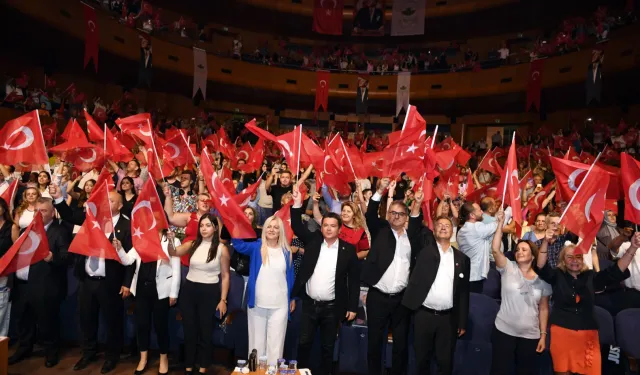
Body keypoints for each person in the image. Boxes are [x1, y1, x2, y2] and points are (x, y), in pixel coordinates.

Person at [51, 187, 135, 373]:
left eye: (111, 201)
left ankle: (112, 356)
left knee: (112, 322)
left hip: (110, 283)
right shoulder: (93, 219)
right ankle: (88, 353)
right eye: (106, 200)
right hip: (87, 280)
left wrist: (127, 283)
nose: (106, 203)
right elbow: (70, 216)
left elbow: (131, 259)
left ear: (120, 205)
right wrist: (58, 198)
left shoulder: (126, 226)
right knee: (86, 319)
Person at [536, 231, 639, 375]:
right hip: (562, 333)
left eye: (578, 257)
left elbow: (616, 270)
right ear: (563, 260)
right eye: (570, 257)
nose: (574, 260)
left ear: (583, 259)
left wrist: (633, 248)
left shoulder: (591, 277)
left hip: (587, 335)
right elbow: (540, 266)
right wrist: (546, 242)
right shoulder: (557, 275)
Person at [290, 185, 359, 375]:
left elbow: (354, 281)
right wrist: (297, 203)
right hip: (309, 305)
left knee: (328, 348)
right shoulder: (313, 242)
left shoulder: (348, 250)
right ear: (322, 227)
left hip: (332, 308)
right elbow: (296, 225)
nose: (328, 229)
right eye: (325, 225)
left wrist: (352, 307)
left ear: (339, 228)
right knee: (303, 344)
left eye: (332, 226)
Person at [402, 190, 470, 375]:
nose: (443, 227)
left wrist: (462, 321)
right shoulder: (424, 249)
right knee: (421, 360)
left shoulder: (462, 259)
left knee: (445, 361)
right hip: (423, 315)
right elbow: (414, 229)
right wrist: (416, 204)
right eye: (439, 225)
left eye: (447, 225)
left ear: (453, 230)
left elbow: (463, 293)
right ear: (433, 230)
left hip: (448, 319)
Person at [361, 177, 417, 375]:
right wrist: (380, 191)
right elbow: (369, 214)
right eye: (392, 212)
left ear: (406, 217)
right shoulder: (381, 231)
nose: (395, 216)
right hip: (378, 297)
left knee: (401, 346)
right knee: (375, 343)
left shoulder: (414, 238)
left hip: (402, 299)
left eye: (400, 214)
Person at [9, 198, 70, 368]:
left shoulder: (59, 231)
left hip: (44, 287)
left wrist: (53, 258)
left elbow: (67, 258)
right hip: (21, 284)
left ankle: (51, 352)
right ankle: (24, 348)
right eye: (37, 211)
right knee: (23, 320)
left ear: (52, 213)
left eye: (43, 211)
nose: (39, 214)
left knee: (47, 322)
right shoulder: (25, 230)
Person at [167, 214, 230, 375]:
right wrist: (171, 240)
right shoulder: (193, 244)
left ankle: (202, 368)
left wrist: (223, 299)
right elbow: (174, 252)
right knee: (189, 331)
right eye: (202, 225)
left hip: (209, 292)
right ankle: (188, 367)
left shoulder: (222, 249)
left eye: (208, 225)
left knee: (205, 332)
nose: (204, 228)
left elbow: (225, 276)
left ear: (215, 228)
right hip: (189, 291)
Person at [490, 210, 551, 375]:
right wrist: (500, 224)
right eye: (517, 250)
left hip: (530, 336)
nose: (519, 252)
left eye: (524, 250)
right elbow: (495, 250)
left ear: (532, 255)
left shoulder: (543, 279)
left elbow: (544, 308)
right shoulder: (508, 267)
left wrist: (543, 335)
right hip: (504, 331)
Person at [114, 229, 181, 375]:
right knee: (142, 325)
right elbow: (127, 260)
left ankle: (164, 359)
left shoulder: (171, 240)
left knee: (161, 327)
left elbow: (176, 269)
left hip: (161, 291)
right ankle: (143, 358)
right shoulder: (141, 237)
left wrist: (173, 293)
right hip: (141, 290)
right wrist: (119, 248)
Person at [230, 216, 295, 366]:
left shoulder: (287, 252)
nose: (272, 230)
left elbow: (291, 278)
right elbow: (238, 245)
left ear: (281, 232)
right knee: (256, 344)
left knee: (276, 345)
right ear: (264, 230)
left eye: (276, 227)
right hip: (257, 304)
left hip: (280, 306)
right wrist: (235, 222)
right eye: (269, 226)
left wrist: (293, 298)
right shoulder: (256, 247)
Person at [457, 202, 502, 293]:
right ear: (472, 215)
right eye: (479, 210)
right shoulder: (476, 228)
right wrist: (501, 217)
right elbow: (495, 225)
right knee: (473, 303)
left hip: (466, 273)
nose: (482, 212)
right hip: (474, 276)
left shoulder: (461, 230)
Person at [0, 198, 19, 336]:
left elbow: (17, 250)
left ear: (4, 209)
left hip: (4, 273)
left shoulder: (11, 227)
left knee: (1, 309)